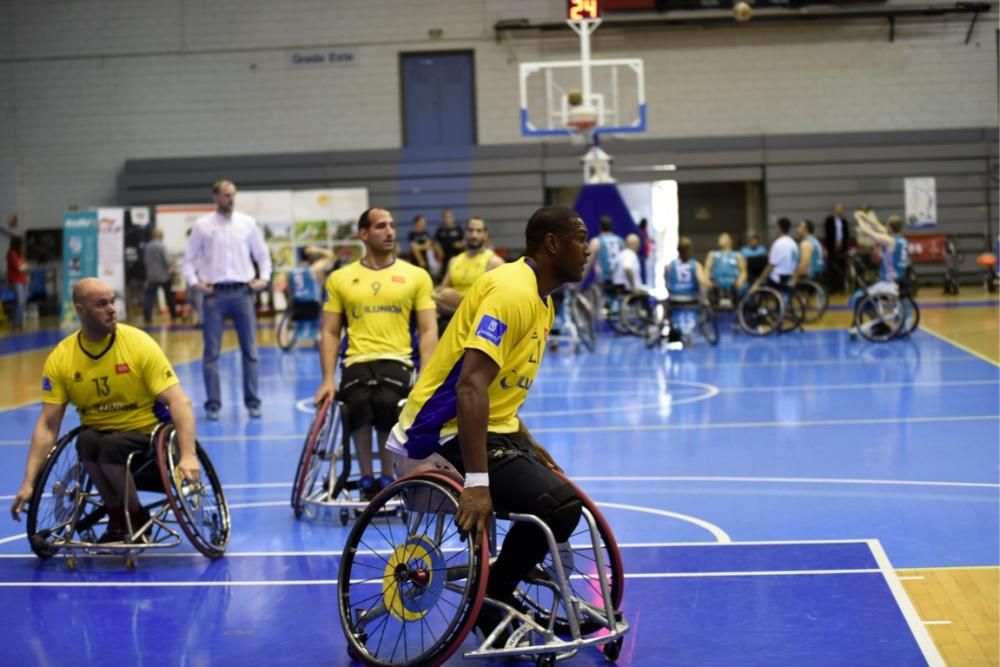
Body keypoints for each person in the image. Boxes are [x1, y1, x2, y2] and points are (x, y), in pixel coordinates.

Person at [387, 206, 589, 642]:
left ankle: (501, 585)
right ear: (552, 243)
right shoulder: (511, 291)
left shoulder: (542, 299)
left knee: (560, 491)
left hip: (489, 427)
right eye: (581, 238)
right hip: (438, 432)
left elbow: (499, 393)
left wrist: (528, 442)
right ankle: (492, 594)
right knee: (559, 505)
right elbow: (470, 386)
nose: (588, 249)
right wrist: (477, 483)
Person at [9, 278, 200, 542]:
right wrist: (29, 482)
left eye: (112, 301)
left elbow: (180, 401)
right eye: (101, 304)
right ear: (80, 310)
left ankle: (134, 516)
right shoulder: (62, 358)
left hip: (147, 433)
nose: (112, 309)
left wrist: (188, 455)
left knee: (109, 445)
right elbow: (47, 425)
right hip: (99, 435)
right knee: (85, 441)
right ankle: (117, 516)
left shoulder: (138, 343)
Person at [314, 207, 438, 500]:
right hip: (357, 360)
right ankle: (367, 478)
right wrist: (327, 379)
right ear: (364, 234)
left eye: (392, 225)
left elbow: (429, 330)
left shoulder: (416, 276)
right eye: (381, 226)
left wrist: (427, 376)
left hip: (398, 360)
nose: (390, 231)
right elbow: (331, 332)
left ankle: (387, 476)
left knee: (386, 403)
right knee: (356, 403)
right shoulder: (340, 279)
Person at [181, 180, 272, 421]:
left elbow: (262, 255)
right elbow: (188, 259)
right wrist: (195, 282)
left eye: (232, 194)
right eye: (225, 195)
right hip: (214, 295)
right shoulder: (202, 226)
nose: (230, 199)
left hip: (243, 293)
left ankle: (253, 402)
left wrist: (264, 278)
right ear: (215, 197)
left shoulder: (247, 224)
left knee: (250, 351)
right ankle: (213, 404)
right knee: (211, 353)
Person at [433, 216, 505, 314]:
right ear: (465, 234)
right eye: (471, 230)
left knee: (447, 294)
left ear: (485, 235)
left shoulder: (494, 262)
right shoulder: (454, 261)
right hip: (451, 313)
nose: (474, 235)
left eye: (478, 231)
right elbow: (442, 288)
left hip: (479, 314)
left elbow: (500, 298)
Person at [665, 237, 709, 344]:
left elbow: (666, 282)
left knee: (667, 306)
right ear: (690, 250)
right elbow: (702, 282)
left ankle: (673, 327)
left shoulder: (669, 265)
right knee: (704, 290)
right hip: (691, 297)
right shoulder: (696, 265)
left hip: (674, 298)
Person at [856, 212, 912, 292]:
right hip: (901, 277)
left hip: (889, 282)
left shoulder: (889, 240)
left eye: (887, 225)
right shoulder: (902, 240)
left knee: (858, 296)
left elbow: (866, 231)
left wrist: (858, 217)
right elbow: (877, 225)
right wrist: (864, 216)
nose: (885, 227)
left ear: (890, 228)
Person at [751, 218, 800, 292]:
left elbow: (770, 266)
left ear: (779, 228)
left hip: (778, 279)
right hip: (790, 277)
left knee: (755, 280)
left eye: (775, 226)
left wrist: (758, 281)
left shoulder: (778, 243)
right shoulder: (794, 243)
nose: (775, 228)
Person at [142, 228, 178, 324]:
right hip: (163, 276)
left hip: (151, 276)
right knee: (169, 296)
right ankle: (173, 315)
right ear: (161, 236)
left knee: (149, 297)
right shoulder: (161, 246)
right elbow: (167, 261)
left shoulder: (148, 246)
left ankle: (147, 317)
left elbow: (145, 261)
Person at [584, 215, 625, 289]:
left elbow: (588, 264)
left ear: (600, 227)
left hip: (603, 282)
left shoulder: (596, 242)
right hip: (619, 282)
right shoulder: (620, 241)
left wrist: (579, 283)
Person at [705, 232, 747, 304]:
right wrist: (708, 281)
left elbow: (743, 271)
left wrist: (740, 281)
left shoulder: (737, 255)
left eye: (722, 237)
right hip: (716, 284)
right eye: (719, 238)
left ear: (730, 241)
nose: (719, 239)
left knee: (745, 287)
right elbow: (707, 270)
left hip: (733, 284)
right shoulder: (712, 254)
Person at [824, 202, 852, 293]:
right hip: (832, 247)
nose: (840, 210)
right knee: (832, 268)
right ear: (834, 209)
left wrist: (844, 245)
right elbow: (827, 234)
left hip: (842, 248)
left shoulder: (844, 221)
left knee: (842, 268)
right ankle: (832, 288)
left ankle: (841, 288)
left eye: (841, 209)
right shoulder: (829, 220)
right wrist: (829, 246)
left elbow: (846, 235)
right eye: (838, 209)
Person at [433, 209, 464, 281]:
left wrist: (460, 244)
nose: (448, 219)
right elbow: (434, 242)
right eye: (446, 217)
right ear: (443, 218)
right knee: (444, 276)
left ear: (453, 217)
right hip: (444, 258)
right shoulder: (440, 230)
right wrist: (438, 248)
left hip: (456, 257)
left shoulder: (458, 229)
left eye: (450, 217)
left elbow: (464, 241)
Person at [6, 236, 29, 331]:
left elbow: (26, 266)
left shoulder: (21, 254)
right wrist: (24, 267)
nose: (23, 246)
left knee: (23, 303)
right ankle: (16, 323)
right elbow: (20, 268)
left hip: (23, 280)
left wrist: (24, 267)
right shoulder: (12, 254)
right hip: (16, 281)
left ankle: (19, 323)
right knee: (20, 302)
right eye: (21, 243)